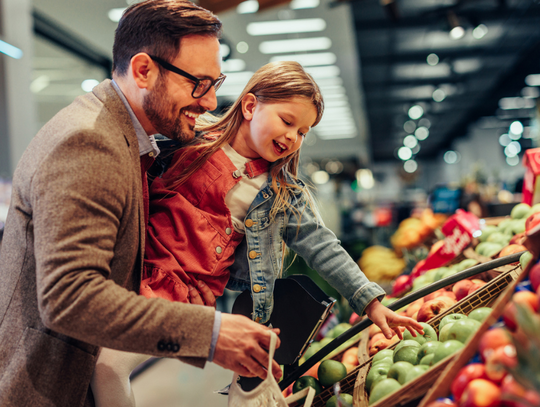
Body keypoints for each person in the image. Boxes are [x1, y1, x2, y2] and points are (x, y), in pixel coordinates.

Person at [91, 61, 424, 406]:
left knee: (109, 365)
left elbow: (323, 246)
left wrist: (371, 302)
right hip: (127, 269)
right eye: (287, 121)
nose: (293, 137)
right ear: (250, 106)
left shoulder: (282, 194)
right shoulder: (187, 143)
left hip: (181, 294)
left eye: (303, 132)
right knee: (96, 362)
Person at [0, 2, 282, 406]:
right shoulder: (90, 143)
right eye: (199, 83)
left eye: (215, 83)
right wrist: (211, 333)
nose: (209, 103)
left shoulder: (126, 138)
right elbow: (71, 297)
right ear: (144, 70)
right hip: (47, 387)